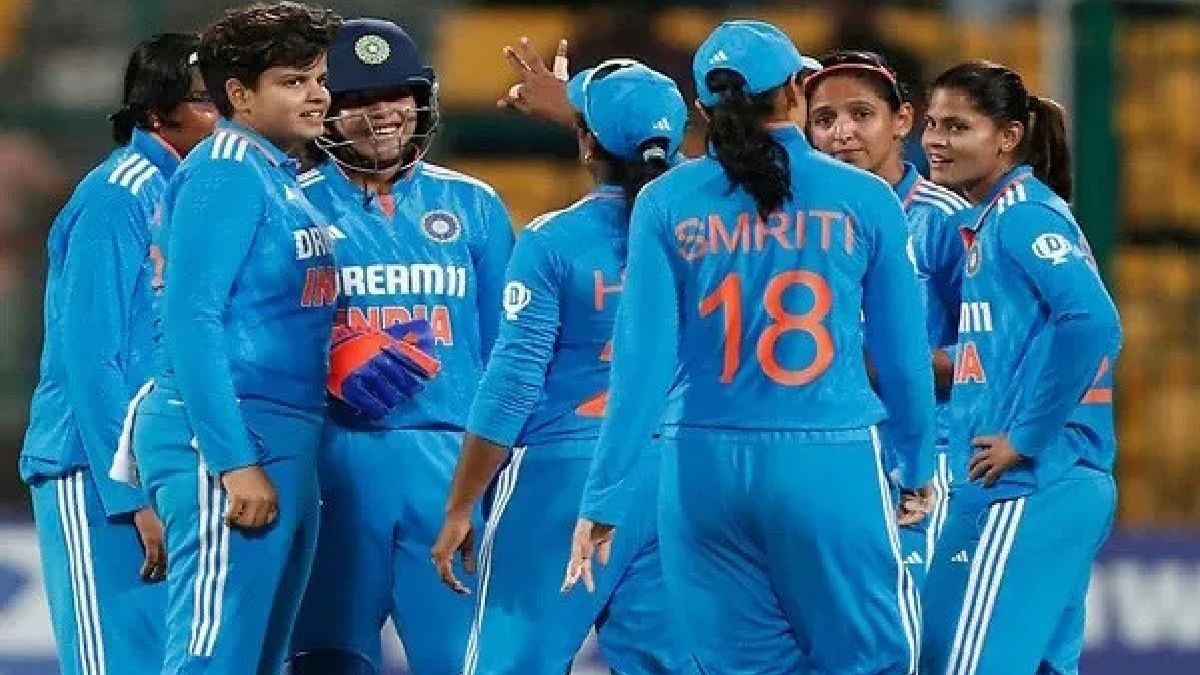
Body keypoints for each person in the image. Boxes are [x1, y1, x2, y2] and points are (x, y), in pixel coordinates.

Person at [564, 20, 935, 675]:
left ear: (703, 109)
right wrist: (917, 464)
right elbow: (903, 358)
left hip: (700, 469)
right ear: (795, 91)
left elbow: (641, 367)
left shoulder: (664, 201)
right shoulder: (867, 197)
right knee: (875, 660)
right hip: (828, 458)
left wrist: (603, 498)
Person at [431, 60, 694, 675]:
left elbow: (512, 383)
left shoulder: (553, 240)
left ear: (587, 144)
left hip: (566, 477)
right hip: (679, 473)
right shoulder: (715, 232)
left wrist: (461, 504)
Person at [286, 18, 514, 675]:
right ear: (327, 110)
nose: (382, 112)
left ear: (421, 99)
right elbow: (260, 334)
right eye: (358, 99)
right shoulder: (291, 205)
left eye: (396, 94)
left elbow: (509, 354)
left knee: (460, 661)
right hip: (333, 460)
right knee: (327, 659)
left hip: (454, 465)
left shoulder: (474, 205)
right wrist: (325, 355)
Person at [127, 3, 341, 673]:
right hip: (229, 436)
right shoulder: (225, 169)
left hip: (284, 435)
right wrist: (232, 459)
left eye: (319, 78)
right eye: (293, 81)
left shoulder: (275, 174)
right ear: (240, 95)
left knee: (258, 659)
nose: (317, 95)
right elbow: (191, 318)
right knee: (212, 658)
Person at [19, 33, 216, 675]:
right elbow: (90, 356)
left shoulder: (196, 192)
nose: (223, 114)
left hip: (172, 467)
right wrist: (130, 492)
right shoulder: (117, 195)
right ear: (158, 112)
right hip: (94, 468)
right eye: (206, 100)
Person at [918, 60, 1121, 675]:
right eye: (932, 123)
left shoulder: (1022, 216)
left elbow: (1093, 322)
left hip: (1031, 482)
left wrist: (1025, 438)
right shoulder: (992, 220)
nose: (935, 140)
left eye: (957, 127)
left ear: (1007, 137)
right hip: (1042, 483)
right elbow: (1004, 356)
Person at [804, 49, 972, 585]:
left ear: (901, 120)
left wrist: (899, 367)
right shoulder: (801, 223)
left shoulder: (945, 221)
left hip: (926, 459)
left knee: (912, 621)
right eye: (824, 119)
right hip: (834, 456)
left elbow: (1000, 350)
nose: (842, 133)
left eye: (861, 114)